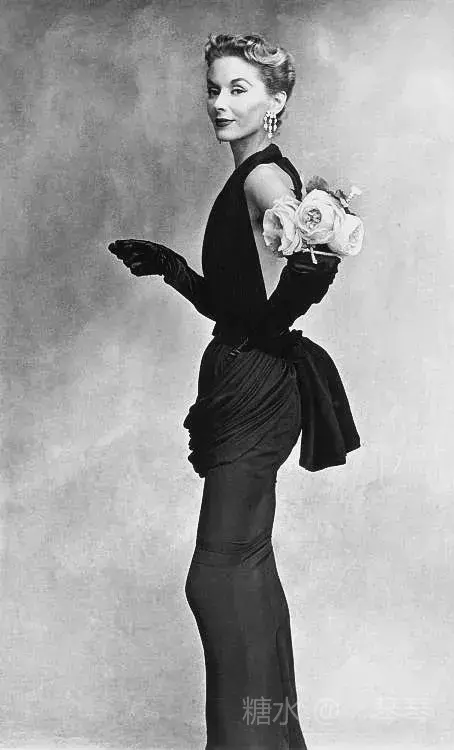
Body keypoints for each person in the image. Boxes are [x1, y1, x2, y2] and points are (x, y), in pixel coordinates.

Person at [108, 32, 360, 750]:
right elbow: (240, 303)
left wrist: (307, 257)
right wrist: (175, 270)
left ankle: (246, 744)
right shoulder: (253, 173)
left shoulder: (263, 179)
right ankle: (271, 740)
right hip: (252, 376)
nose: (220, 102)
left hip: (255, 385)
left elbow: (308, 254)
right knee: (246, 567)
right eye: (213, 89)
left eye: (239, 89)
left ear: (275, 100)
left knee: (218, 577)